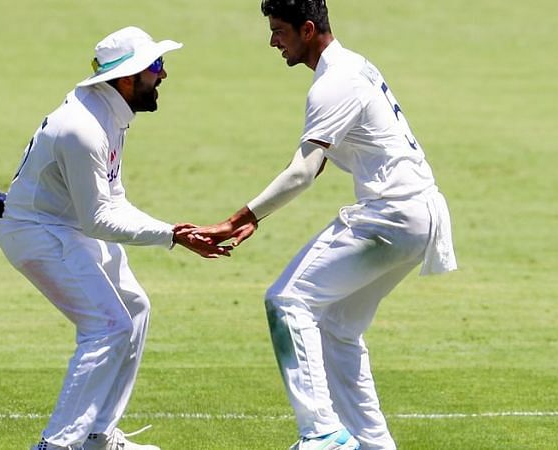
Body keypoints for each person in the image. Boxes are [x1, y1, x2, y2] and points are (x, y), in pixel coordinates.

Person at [185, 1, 458, 449]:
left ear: (307, 30)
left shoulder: (334, 83)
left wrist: (238, 219)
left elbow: (303, 172)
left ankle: (323, 433)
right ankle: (373, 445)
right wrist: (259, 216)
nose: (273, 41)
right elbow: (327, 155)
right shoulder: (354, 67)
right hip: (418, 215)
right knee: (337, 327)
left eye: (279, 31)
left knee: (287, 301)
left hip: (391, 215)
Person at [0, 26, 229, 450]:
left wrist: (174, 232)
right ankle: (57, 444)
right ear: (127, 79)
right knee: (107, 326)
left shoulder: (110, 113)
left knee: (135, 309)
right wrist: (173, 235)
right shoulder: (83, 127)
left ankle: (97, 437)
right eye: (155, 67)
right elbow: (100, 218)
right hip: (38, 232)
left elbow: (111, 199)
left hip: (68, 226)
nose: (164, 75)